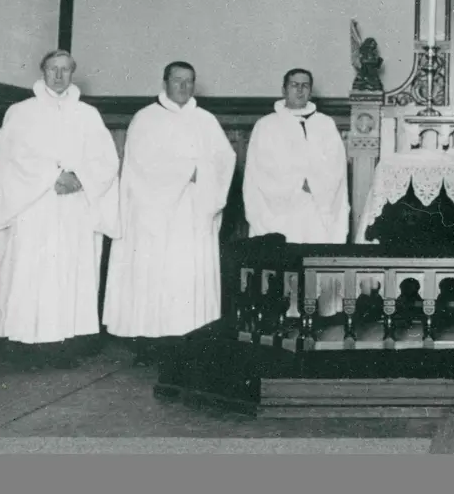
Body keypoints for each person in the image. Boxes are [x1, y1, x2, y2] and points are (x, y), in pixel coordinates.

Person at [0, 50, 120, 369]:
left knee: (69, 272)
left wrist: (80, 178)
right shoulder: (21, 112)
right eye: (53, 69)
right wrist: (51, 176)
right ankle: (23, 348)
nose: (59, 75)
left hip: (74, 208)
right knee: (29, 272)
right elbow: (12, 158)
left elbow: (106, 159)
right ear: (42, 71)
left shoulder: (87, 115)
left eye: (66, 70)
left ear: (73, 74)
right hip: (32, 206)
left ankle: (64, 346)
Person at [102, 62, 236, 366]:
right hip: (155, 218)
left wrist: (202, 175)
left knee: (188, 274)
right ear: (165, 83)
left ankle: (192, 338)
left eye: (190, 82)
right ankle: (152, 341)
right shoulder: (146, 119)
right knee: (158, 275)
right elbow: (140, 165)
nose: (184, 88)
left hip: (193, 213)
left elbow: (225, 158)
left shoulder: (205, 120)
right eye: (178, 81)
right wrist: (187, 171)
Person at [243, 68, 350, 316]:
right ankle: (282, 312)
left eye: (305, 85)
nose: (300, 90)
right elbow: (260, 168)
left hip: (318, 204)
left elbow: (335, 165)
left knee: (315, 256)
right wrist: (295, 182)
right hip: (282, 208)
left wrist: (314, 183)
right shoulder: (267, 125)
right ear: (284, 90)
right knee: (285, 258)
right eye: (294, 85)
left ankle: (318, 313)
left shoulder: (325, 124)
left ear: (311, 90)